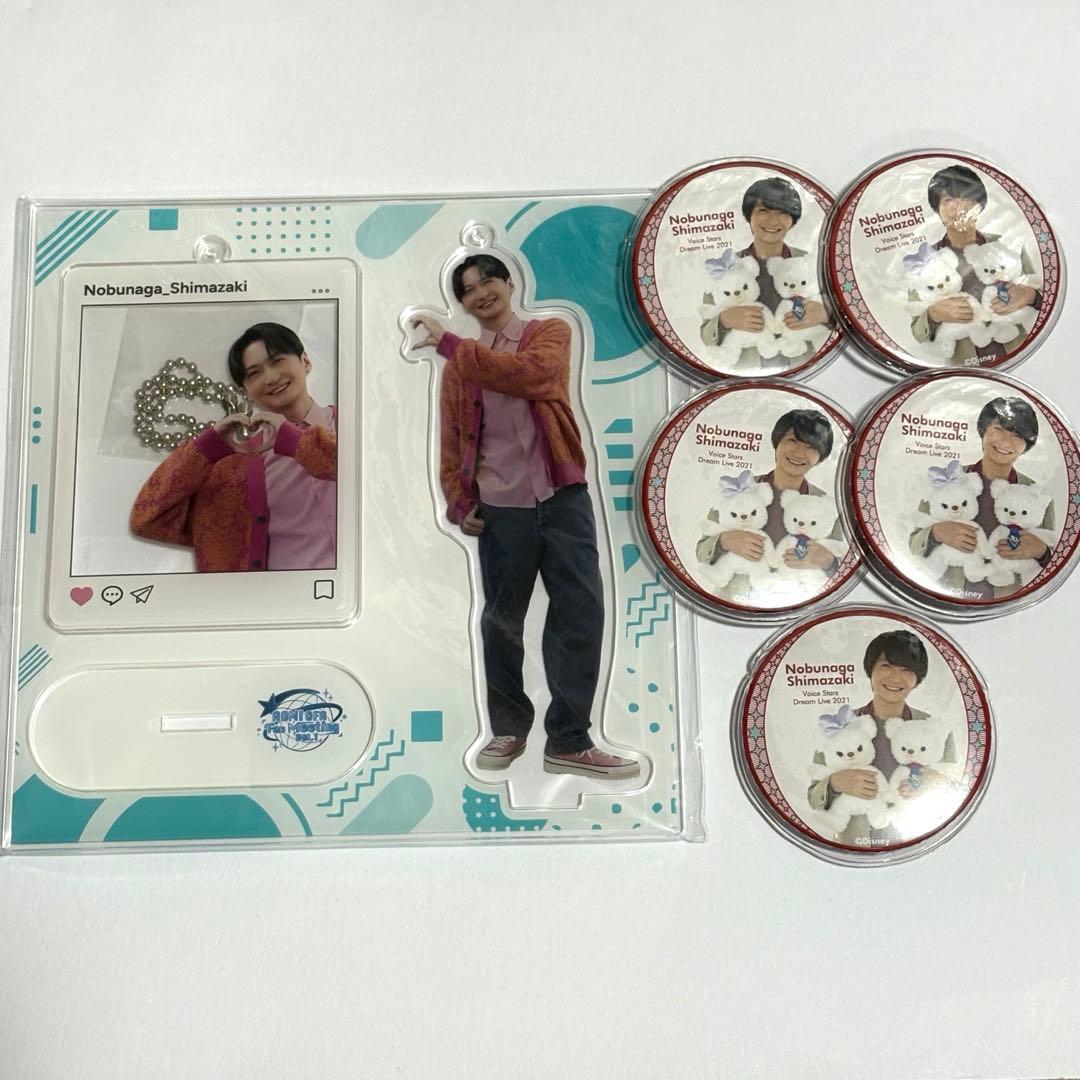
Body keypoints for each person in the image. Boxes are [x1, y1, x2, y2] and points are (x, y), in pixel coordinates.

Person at [411, 253, 638, 780]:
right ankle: (508, 728)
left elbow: (533, 377)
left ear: (510, 282)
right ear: (463, 303)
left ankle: (570, 741)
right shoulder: (461, 368)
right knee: (502, 622)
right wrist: (459, 501)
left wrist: (451, 345)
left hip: (562, 498)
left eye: (488, 279)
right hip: (500, 509)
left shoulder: (549, 333)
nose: (481, 292)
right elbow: (451, 440)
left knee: (581, 614)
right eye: (468, 289)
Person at [130, 322, 336, 572]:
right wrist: (207, 446)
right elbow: (148, 518)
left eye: (277, 361)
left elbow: (365, 477)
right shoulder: (233, 469)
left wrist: (293, 440)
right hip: (282, 593)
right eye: (254, 373)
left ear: (305, 361)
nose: (271, 378)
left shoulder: (359, 426)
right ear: (245, 392)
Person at [807, 630, 958, 846]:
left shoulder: (936, 729)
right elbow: (813, 797)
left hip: (920, 842)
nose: (895, 677)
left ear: (917, 680)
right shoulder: (840, 725)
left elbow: (959, 790)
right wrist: (834, 783)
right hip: (853, 846)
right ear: (870, 670)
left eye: (906, 669)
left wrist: (938, 782)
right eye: (886, 665)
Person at [909, 396, 1054, 598]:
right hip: (945, 592)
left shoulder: (1036, 493)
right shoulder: (947, 479)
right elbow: (912, 544)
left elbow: (1056, 560)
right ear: (983, 431)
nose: (1005, 441)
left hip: (1009, 597)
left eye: (1017, 435)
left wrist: (1042, 551)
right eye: (998, 429)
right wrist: (936, 532)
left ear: (1027, 445)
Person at [695, 408, 845, 598]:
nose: (799, 453)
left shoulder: (826, 504)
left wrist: (828, 561)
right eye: (793, 441)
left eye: (811, 447)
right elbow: (701, 551)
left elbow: (842, 570)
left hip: (795, 603)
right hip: (733, 600)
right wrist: (724, 541)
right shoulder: (739, 489)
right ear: (777, 442)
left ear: (820, 458)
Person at [909, 164, 1042, 365]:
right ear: (937, 210)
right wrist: (934, 314)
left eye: (967, 198)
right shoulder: (924, 261)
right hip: (963, 366)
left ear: (980, 204)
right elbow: (918, 332)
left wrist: (1030, 295)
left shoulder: (1007, 245)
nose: (959, 208)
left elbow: (1045, 297)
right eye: (948, 200)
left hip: (1021, 353)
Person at [699, 176, 830, 367]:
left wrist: (826, 313)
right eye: (763, 210)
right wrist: (724, 320)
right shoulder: (725, 266)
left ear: (793, 220)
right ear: (749, 216)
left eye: (783, 212)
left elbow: (846, 309)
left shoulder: (811, 262)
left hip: (807, 363)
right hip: (747, 368)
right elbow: (705, 334)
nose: (772, 220)